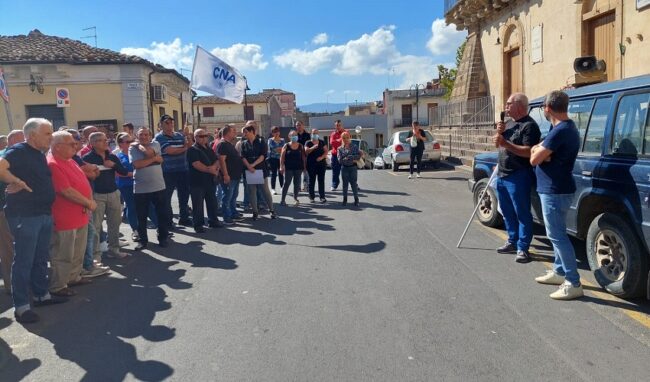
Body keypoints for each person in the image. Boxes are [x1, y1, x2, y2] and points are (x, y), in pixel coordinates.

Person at [0, 118, 68, 324]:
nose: (51, 137)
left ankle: (41, 295)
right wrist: (16, 181)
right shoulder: (18, 151)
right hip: (25, 215)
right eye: (47, 133)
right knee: (23, 260)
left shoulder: (38, 154)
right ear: (32, 135)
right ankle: (21, 307)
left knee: (40, 257)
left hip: (43, 213)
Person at [530, 90, 583, 300]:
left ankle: (573, 282)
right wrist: (539, 150)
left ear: (547, 108)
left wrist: (538, 151)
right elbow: (537, 153)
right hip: (557, 188)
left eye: (543, 107)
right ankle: (559, 272)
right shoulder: (563, 129)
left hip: (555, 190)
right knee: (557, 233)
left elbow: (534, 159)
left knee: (557, 236)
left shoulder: (560, 130)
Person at [492, 92, 541, 263]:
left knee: (522, 212)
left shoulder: (529, 126)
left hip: (518, 174)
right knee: (506, 211)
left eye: (508, 104)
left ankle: (523, 247)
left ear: (519, 105)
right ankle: (512, 241)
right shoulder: (509, 124)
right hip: (503, 174)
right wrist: (500, 135)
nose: (505, 107)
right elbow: (497, 144)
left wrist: (506, 143)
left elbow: (529, 151)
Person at [47, 131, 96, 297]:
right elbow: (66, 191)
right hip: (65, 217)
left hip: (80, 213)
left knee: (77, 251)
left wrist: (88, 203)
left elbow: (82, 183)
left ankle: (73, 277)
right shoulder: (53, 164)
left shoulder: (70, 161)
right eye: (72, 144)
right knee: (63, 253)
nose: (76, 146)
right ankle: (58, 285)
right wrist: (88, 202)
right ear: (58, 147)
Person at [83, 132, 130, 260]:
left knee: (114, 224)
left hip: (114, 193)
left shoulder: (112, 157)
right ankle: (96, 256)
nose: (105, 142)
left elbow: (124, 171)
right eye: (101, 140)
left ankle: (114, 249)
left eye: (106, 140)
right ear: (92, 143)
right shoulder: (87, 158)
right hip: (97, 195)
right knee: (96, 227)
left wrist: (113, 165)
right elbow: (85, 178)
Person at [130, 127, 170, 250]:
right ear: (137, 136)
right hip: (141, 188)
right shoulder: (132, 148)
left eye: (146, 134)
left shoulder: (156, 144)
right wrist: (154, 159)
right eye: (141, 135)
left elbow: (149, 154)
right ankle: (143, 240)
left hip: (159, 186)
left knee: (162, 214)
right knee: (141, 216)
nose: (144, 137)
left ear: (150, 135)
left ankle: (163, 238)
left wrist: (142, 150)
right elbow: (137, 165)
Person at [154, 114, 193, 228]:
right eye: (167, 122)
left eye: (171, 122)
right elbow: (170, 151)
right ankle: (168, 221)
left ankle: (184, 218)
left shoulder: (179, 135)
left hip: (182, 170)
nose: (170, 125)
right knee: (167, 197)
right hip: (167, 172)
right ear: (161, 124)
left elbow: (189, 145)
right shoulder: (159, 138)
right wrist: (185, 148)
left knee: (184, 196)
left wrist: (188, 136)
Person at [0, 129, 25, 294]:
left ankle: (14, 282)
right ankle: (12, 284)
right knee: (8, 247)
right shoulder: (6, 158)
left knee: (11, 246)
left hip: (13, 208)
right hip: (3, 209)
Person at [187, 129, 221, 233]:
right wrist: (210, 170)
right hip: (197, 181)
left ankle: (213, 221)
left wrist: (214, 168)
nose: (204, 138)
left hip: (209, 181)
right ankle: (198, 225)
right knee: (198, 205)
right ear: (195, 137)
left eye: (205, 136)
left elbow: (216, 160)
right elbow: (196, 164)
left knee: (212, 202)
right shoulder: (192, 150)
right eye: (201, 136)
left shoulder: (209, 148)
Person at [241, 123, 277, 220]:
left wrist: (252, 165)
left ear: (252, 131)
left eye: (246, 132)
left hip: (260, 169)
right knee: (252, 192)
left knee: (265, 191)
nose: (245, 134)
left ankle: (272, 210)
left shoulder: (261, 141)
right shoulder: (244, 143)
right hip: (249, 171)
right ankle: (255, 212)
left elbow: (263, 156)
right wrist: (249, 166)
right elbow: (243, 157)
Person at [217, 125, 245, 225]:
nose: (235, 132)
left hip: (235, 176)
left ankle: (233, 213)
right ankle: (226, 217)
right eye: (233, 131)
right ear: (228, 133)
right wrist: (225, 175)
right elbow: (221, 160)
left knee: (233, 196)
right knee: (227, 196)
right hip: (229, 176)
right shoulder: (222, 144)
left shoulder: (229, 144)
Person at [280, 130, 306, 206]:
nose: (294, 136)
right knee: (287, 183)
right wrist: (281, 166)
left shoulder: (301, 146)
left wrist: (304, 167)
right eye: (292, 135)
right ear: (289, 137)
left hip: (298, 167)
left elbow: (303, 157)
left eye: (295, 135)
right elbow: (282, 157)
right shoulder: (286, 145)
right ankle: (282, 200)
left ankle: (295, 198)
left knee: (297, 183)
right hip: (289, 168)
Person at [338, 132, 361, 207]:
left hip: (353, 168)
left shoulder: (354, 146)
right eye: (344, 138)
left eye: (347, 137)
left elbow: (358, 156)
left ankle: (356, 199)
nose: (346, 139)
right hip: (344, 168)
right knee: (345, 185)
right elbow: (340, 160)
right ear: (342, 139)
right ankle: (345, 199)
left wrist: (349, 157)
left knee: (354, 184)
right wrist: (350, 158)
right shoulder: (340, 148)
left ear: (349, 137)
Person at [305, 128, 328, 203]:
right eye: (314, 133)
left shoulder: (321, 142)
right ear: (311, 134)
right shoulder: (308, 142)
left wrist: (321, 157)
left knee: (321, 180)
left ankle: (322, 197)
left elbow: (326, 151)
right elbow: (306, 151)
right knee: (311, 181)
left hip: (321, 164)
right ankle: (311, 197)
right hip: (311, 164)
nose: (315, 135)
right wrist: (313, 147)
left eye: (316, 133)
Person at [329, 120, 347, 191]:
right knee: (335, 171)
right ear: (335, 126)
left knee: (347, 171)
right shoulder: (333, 134)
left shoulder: (346, 132)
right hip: (335, 155)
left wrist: (337, 141)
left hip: (345, 154)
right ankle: (334, 184)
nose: (338, 126)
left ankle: (353, 184)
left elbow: (347, 142)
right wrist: (340, 140)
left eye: (339, 125)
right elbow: (332, 143)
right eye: (336, 125)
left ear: (341, 125)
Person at [267, 126, 285, 195]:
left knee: (281, 173)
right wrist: (280, 149)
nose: (276, 133)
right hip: (272, 159)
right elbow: (274, 148)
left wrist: (279, 149)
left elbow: (283, 149)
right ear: (272, 133)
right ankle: (273, 189)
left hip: (280, 159)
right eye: (274, 132)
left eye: (277, 131)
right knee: (273, 174)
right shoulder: (270, 140)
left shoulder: (283, 140)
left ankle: (282, 187)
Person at [295, 121, 311, 191]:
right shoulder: (294, 135)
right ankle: (298, 187)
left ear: (303, 125)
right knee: (298, 173)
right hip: (297, 156)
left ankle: (306, 186)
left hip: (306, 156)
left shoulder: (308, 135)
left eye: (299, 125)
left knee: (306, 172)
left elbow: (310, 145)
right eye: (297, 125)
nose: (298, 126)